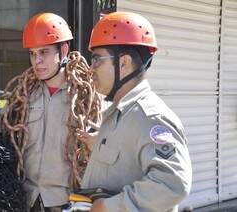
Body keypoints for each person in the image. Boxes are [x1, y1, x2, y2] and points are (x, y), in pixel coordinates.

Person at [80, 12, 192, 212]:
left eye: (97, 60)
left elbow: (173, 183)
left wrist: (108, 207)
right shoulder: (119, 113)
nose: (91, 68)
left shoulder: (151, 117)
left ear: (123, 63)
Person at [0, 13, 101, 212]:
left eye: (44, 52)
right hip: (25, 199)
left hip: (66, 202)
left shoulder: (87, 98)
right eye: (32, 54)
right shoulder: (22, 96)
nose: (37, 61)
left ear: (64, 50)